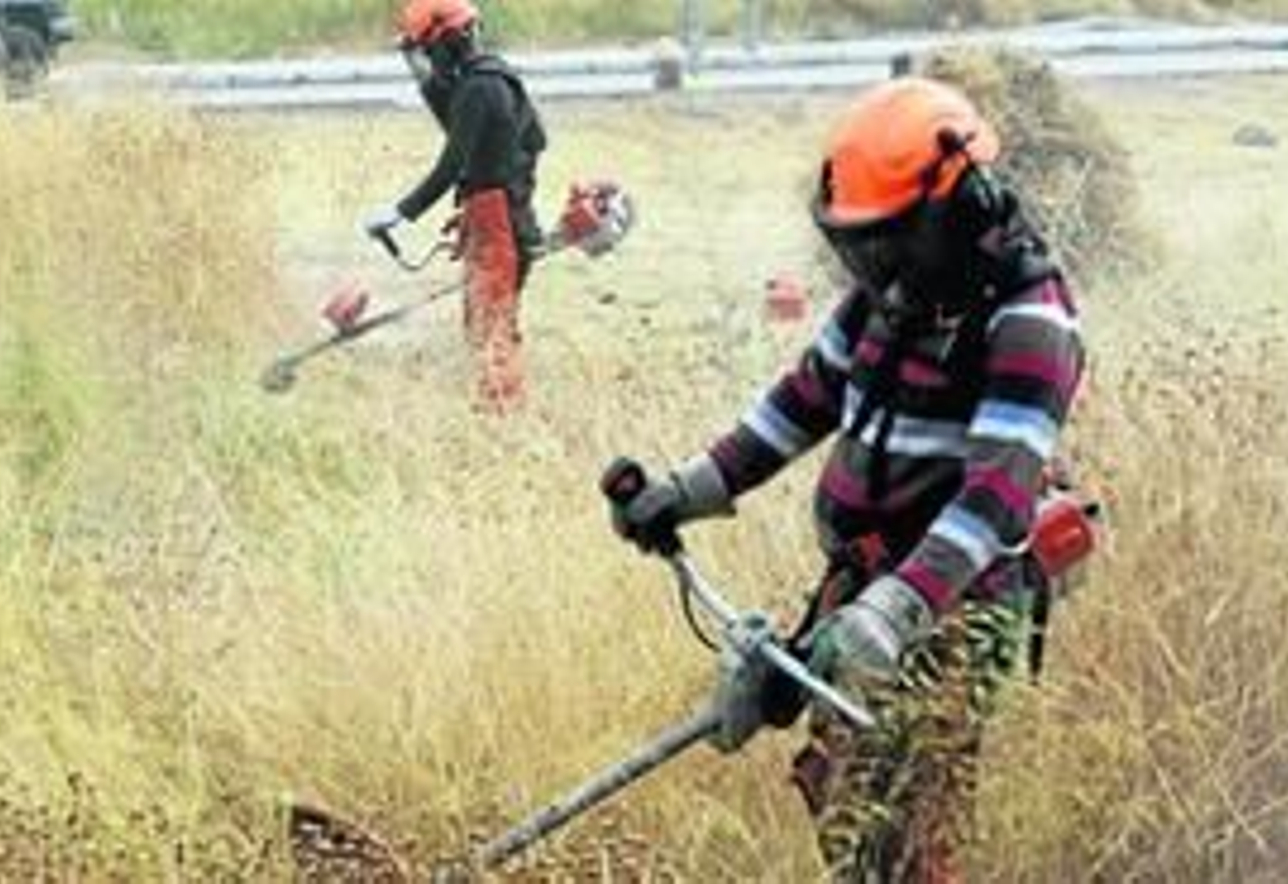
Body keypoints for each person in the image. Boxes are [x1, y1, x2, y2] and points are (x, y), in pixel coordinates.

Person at [609, 77, 1087, 882]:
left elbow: (996, 496)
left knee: (905, 813)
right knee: (843, 801)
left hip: (956, 606)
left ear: (957, 212)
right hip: (864, 581)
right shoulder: (891, 299)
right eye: (859, 247)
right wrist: (685, 490)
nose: (871, 266)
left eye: (887, 242)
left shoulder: (1029, 320)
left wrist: (898, 608)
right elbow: (801, 402)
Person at [362, 0, 548, 412]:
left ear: (447, 44)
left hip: (496, 213)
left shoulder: (478, 90)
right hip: (498, 207)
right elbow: (534, 140)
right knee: (482, 313)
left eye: (425, 52)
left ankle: (503, 410)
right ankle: (493, 401)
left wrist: (402, 211)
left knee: (492, 318)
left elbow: (452, 162)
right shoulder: (492, 76)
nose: (423, 62)